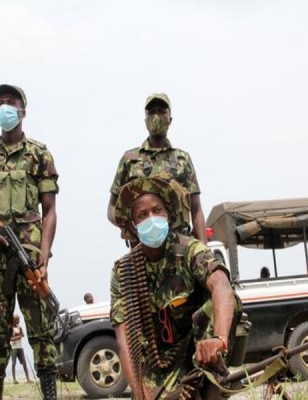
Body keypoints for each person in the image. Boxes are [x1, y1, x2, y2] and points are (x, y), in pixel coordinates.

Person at [110, 176, 242, 399]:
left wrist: (218, 339)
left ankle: (212, 382)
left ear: (168, 214)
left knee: (229, 302)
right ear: (133, 227)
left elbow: (221, 286)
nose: (151, 218)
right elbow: (125, 340)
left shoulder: (190, 250)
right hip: (158, 360)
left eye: (156, 210)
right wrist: (138, 392)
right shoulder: (124, 271)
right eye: (142, 215)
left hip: (196, 347)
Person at [0, 84, 59, 399]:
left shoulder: (39, 154)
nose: (4, 108)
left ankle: (51, 394)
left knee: (41, 334)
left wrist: (43, 256)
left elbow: (50, 210)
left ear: (22, 111)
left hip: (28, 254)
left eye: (11, 103)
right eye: (0, 103)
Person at [107, 93, 207, 243]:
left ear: (170, 119)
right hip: (143, 247)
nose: (156, 116)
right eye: (151, 112)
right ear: (145, 120)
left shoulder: (182, 159)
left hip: (179, 245)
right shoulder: (130, 159)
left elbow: (196, 209)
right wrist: (127, 226)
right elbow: (112, 207)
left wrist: (203, 249)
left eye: (161, 111)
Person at [10, 314, 32, 384]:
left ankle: (28, 379)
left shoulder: (19, 327)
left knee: (24, 363)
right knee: (13, 363)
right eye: (17, 320)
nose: (19, 321)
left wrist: (21, 334)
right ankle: (14, 379)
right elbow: (10, 339)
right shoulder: (11, 328)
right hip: (14, 348)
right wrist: (19, 337)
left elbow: (23, 335)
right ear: (14, 320)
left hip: (20, 347)